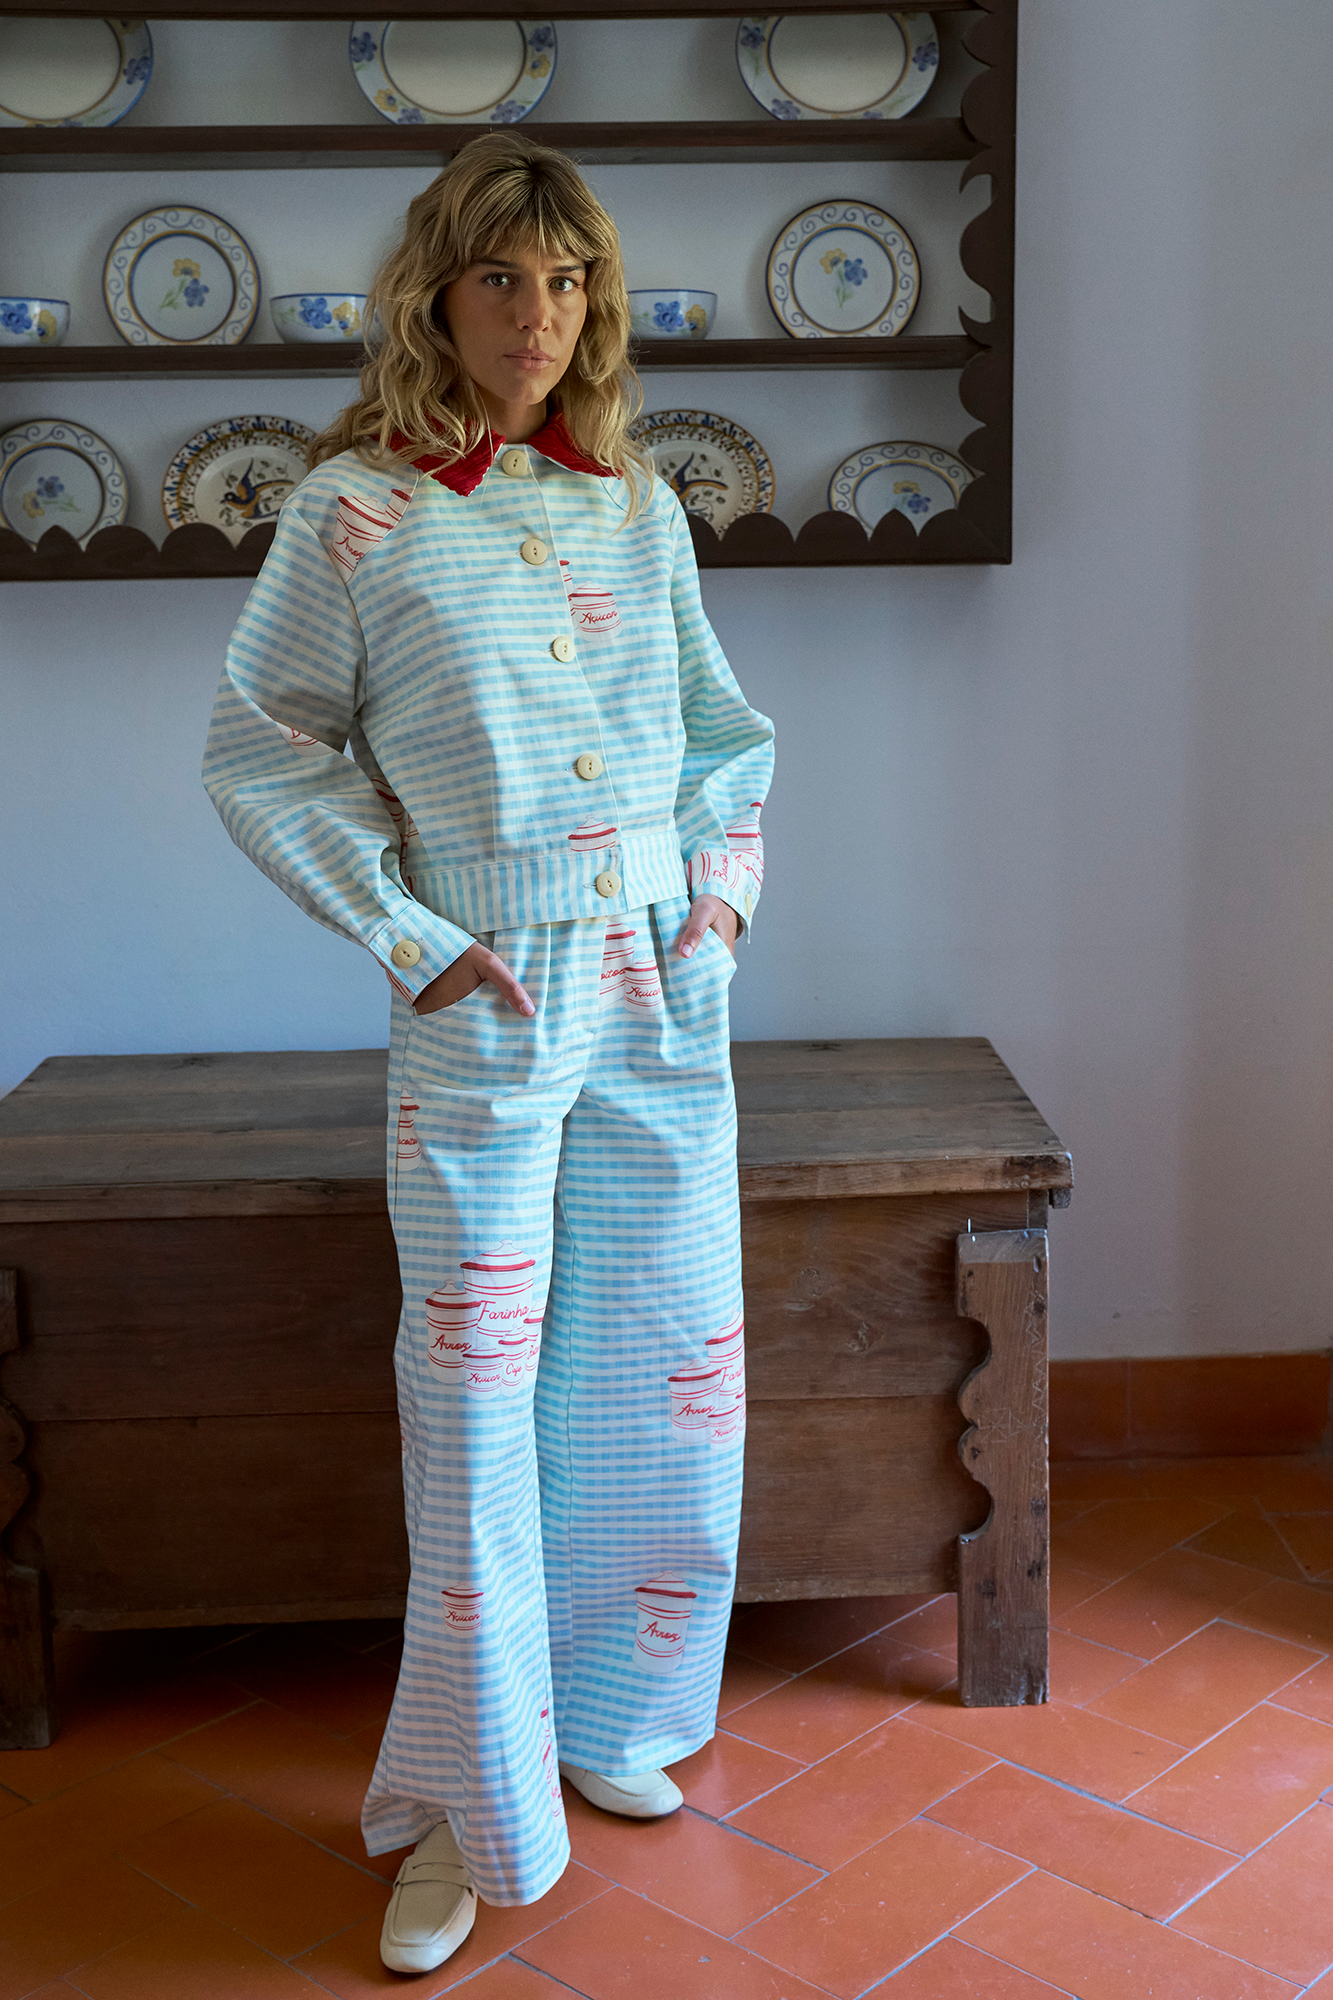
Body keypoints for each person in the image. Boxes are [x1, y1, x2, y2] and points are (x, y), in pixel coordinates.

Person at [202, 131, 775, 1975]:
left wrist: (719, 901)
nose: (541, 314)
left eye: (570, 279)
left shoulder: (636, 503)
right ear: (435, 295)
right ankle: (463, 1801)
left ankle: (607, 1715)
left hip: (656, 979)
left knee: (661, 1358)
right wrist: (415, 940)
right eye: (503, 278)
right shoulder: (352, 513)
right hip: (491, 988)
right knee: (474, 1396)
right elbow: (263, 751)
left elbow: (720, 735)